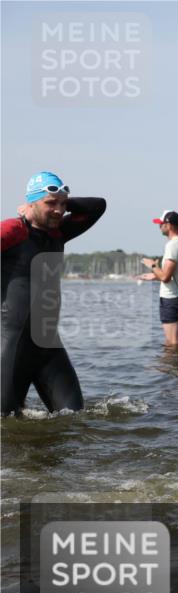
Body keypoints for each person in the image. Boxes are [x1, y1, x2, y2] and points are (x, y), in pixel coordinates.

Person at [1, 172, 106, 415]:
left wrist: (60, 199)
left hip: (48, 348)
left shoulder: (58, 232)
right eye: (51, 203)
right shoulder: (13, 230)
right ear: (31, 202)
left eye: (63, 204)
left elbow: (98, 206)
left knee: (75, 420)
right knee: (5, 426)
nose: (59, 210)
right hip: (9, 348)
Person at [141, 210, 178, 347]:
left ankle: (171, 368)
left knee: (173, 345)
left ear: (169, 225)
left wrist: (152, 265)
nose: (159, 227)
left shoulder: (172, 245)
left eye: (161, 224)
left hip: (171, 300)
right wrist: (154, 276)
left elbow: (165, 277)